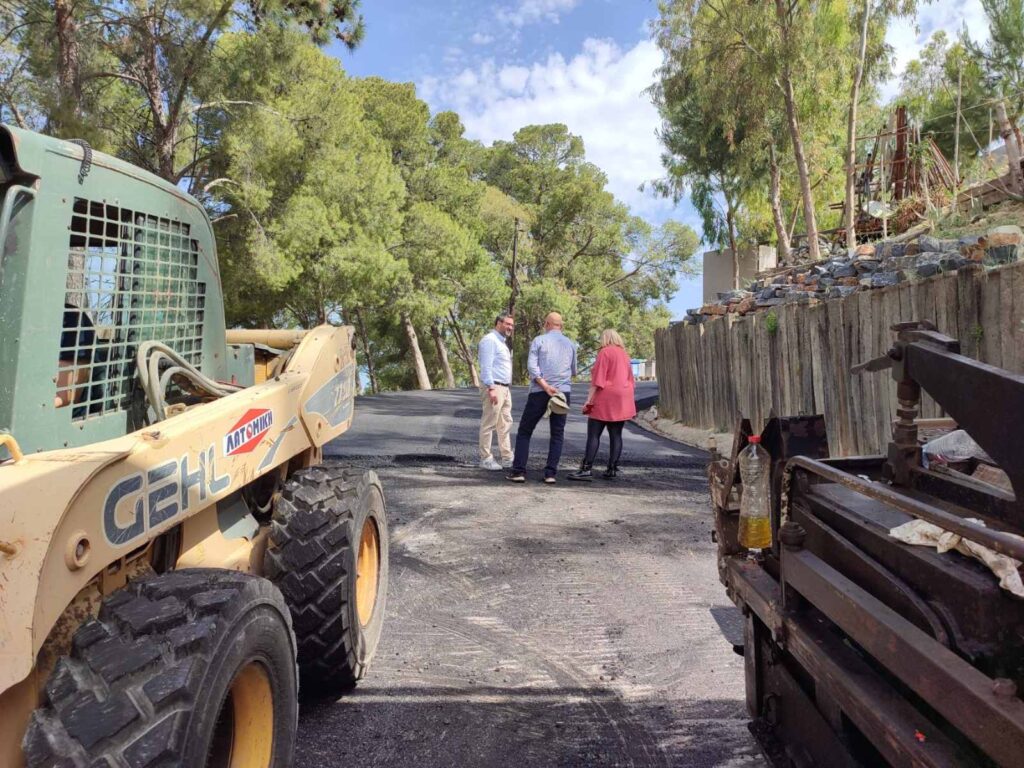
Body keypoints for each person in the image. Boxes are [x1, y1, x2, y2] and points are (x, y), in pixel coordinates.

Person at [507, 312, 577, 484]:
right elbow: (574, 370)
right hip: (562, 392)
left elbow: (532, 367)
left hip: (540, 391)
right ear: (561, 325)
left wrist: (545, 386)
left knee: (525, 430)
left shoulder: (539, 340)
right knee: (557, 434)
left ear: (547, 324)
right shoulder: (571, 344)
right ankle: (550, 474)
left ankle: (519, 471)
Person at [568, 329, 636, 481]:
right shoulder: (625, 354)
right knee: (616, 435)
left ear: (605, 339)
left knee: (594, 434)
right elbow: (631, 379)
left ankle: (586, 468)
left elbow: (598, 380)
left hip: (606, 396)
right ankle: (612, 468)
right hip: (622, 398)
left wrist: (589, 400)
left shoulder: (604, 352)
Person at [478, 312, 516, 470]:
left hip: (505, 388)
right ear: (498, 323)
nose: (510, 327)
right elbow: (486, 366)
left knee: (505, 423)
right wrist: (491, 388)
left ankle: (507, 458)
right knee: (489, 423)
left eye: (512, 325)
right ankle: (486, 458)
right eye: (507, 324)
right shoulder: (490, 340)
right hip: (494, 386)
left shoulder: (501, 342)